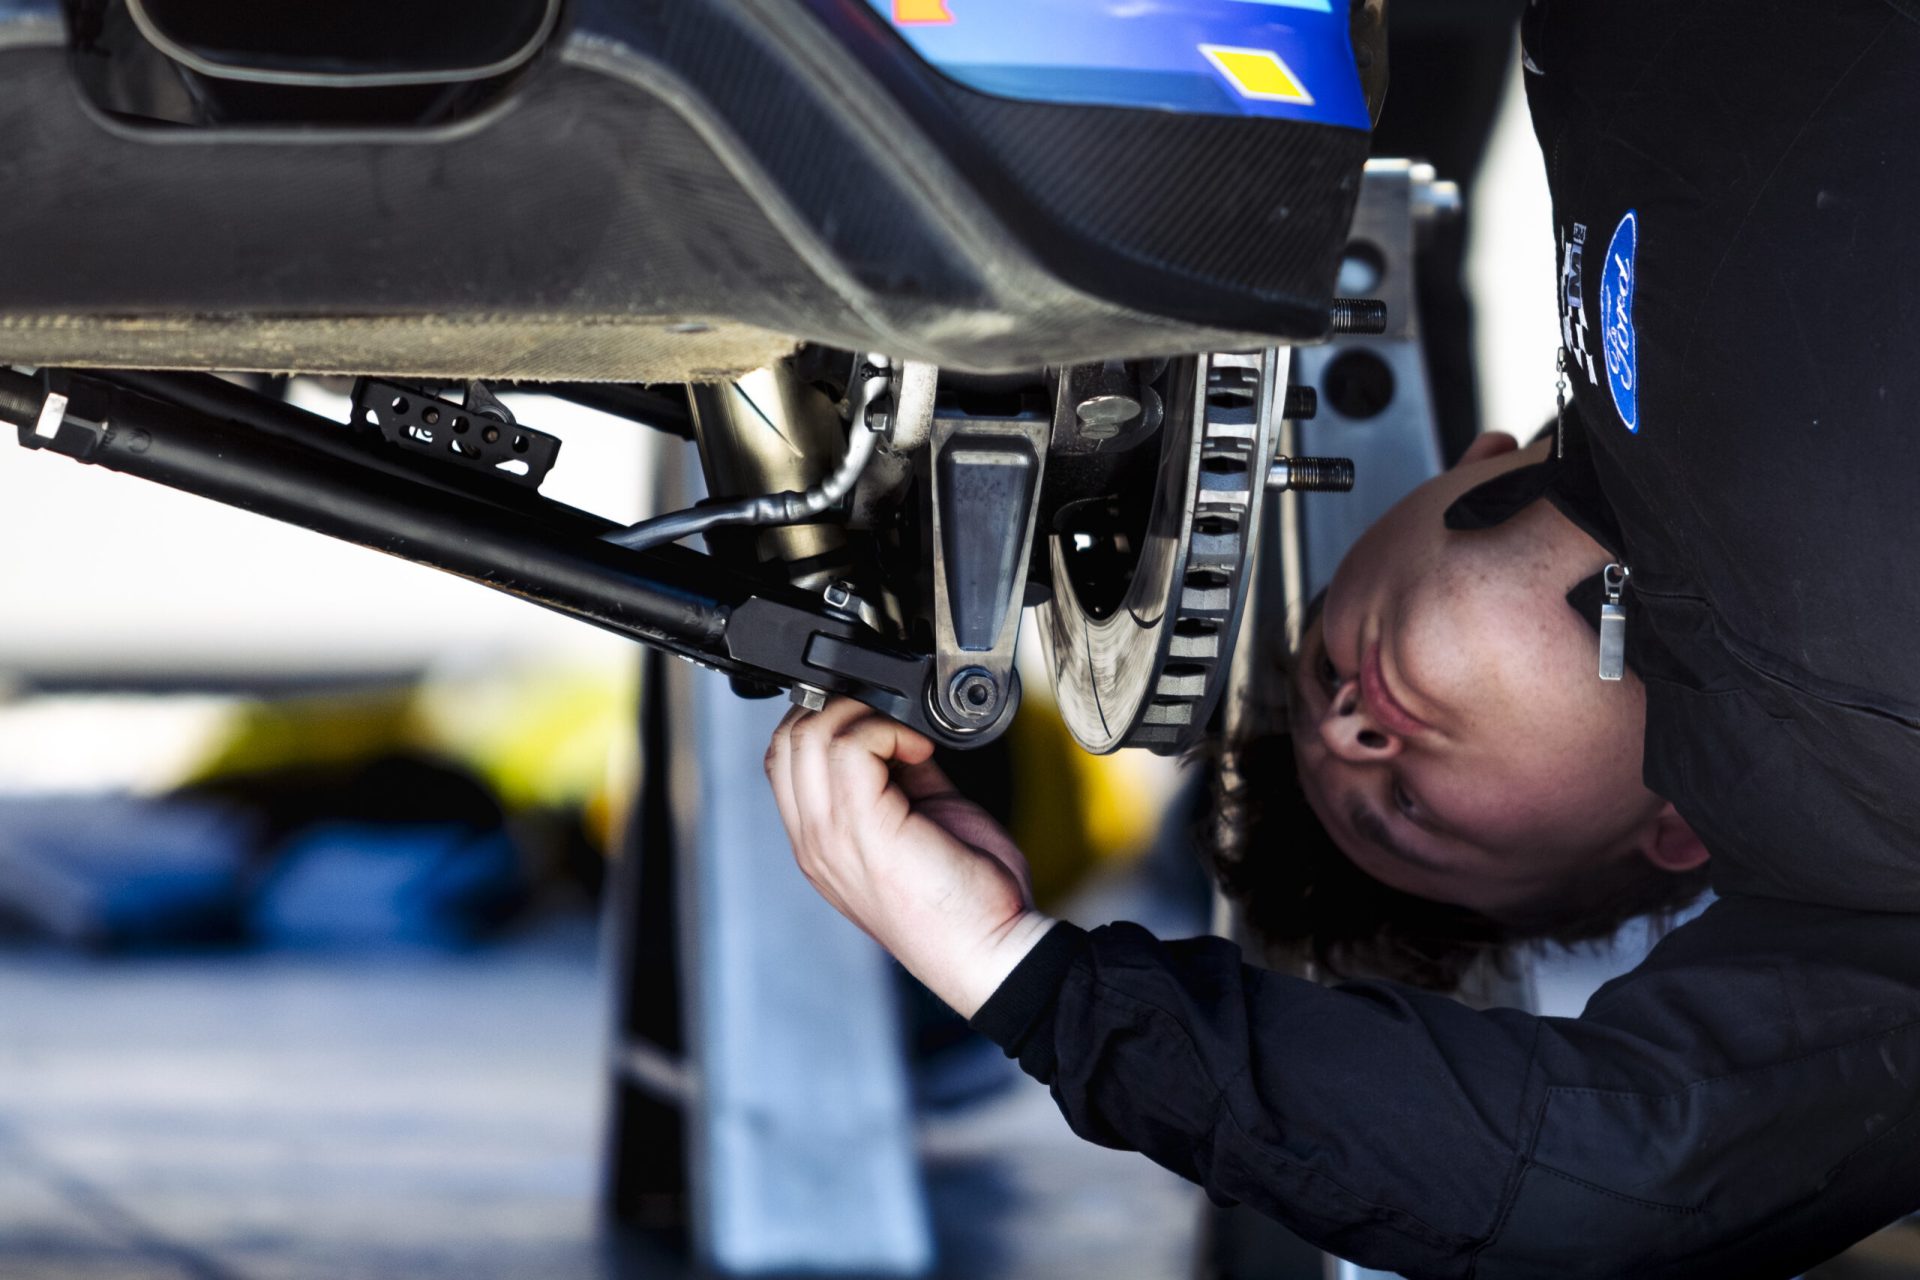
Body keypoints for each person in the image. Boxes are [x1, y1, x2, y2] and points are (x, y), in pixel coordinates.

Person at [765, 0, 1920, 1274]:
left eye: (1320, 671)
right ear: (1676, 831)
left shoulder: (1595, 83)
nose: (1359, 725)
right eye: (1406, 807)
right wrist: (1024, 979)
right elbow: (1605, 1173)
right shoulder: (1865, 877)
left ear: (1465, 460)